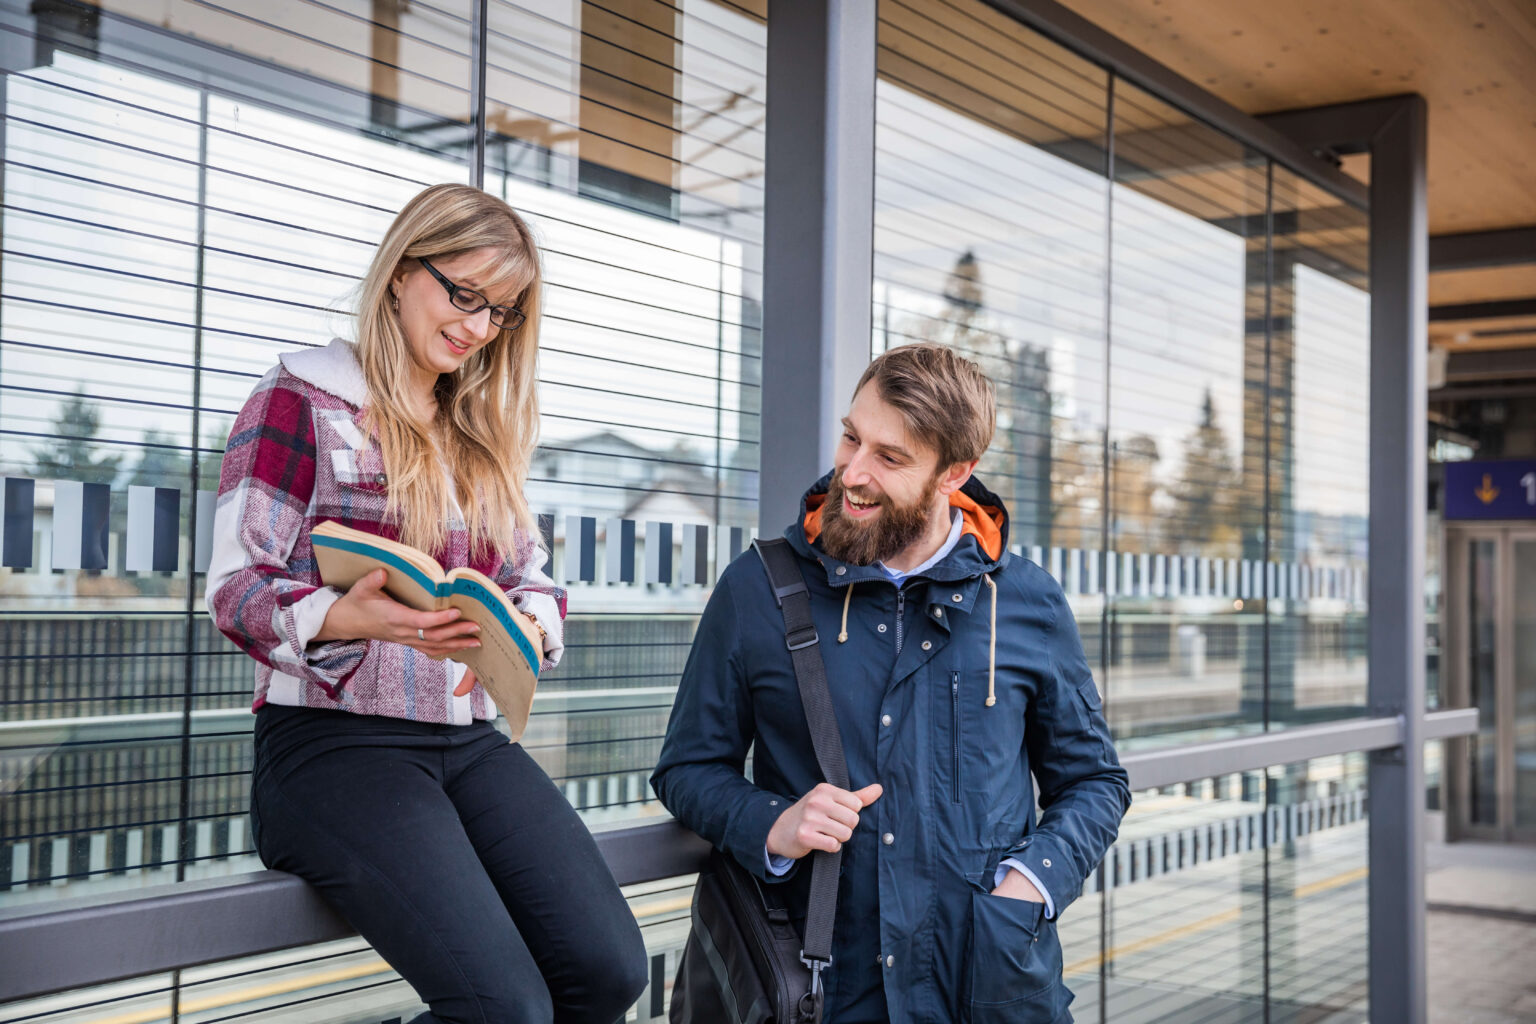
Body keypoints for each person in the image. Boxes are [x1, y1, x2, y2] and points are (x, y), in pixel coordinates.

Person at [207, 183, 648, 1024]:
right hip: (331, 747)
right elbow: (236, 587)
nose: (480, 328)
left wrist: (524, 625)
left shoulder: (473, 431)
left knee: (607, 970)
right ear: (403, 271)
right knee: (503, 1010)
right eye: (465, 294)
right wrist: (348, 616)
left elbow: (537, 580)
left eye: (502, 312)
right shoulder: (300, 398)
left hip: (464, 740)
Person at [652, 343, 1131, 1023]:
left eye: (890, 457)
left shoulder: (1028, 602)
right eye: (852, 437)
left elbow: (1095, 782)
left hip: (990, 990)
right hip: (823, 990)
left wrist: (1031, 883)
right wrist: (773, 822)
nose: (852, 472)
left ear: (954, 474)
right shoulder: (756, 588)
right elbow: (687, 768)